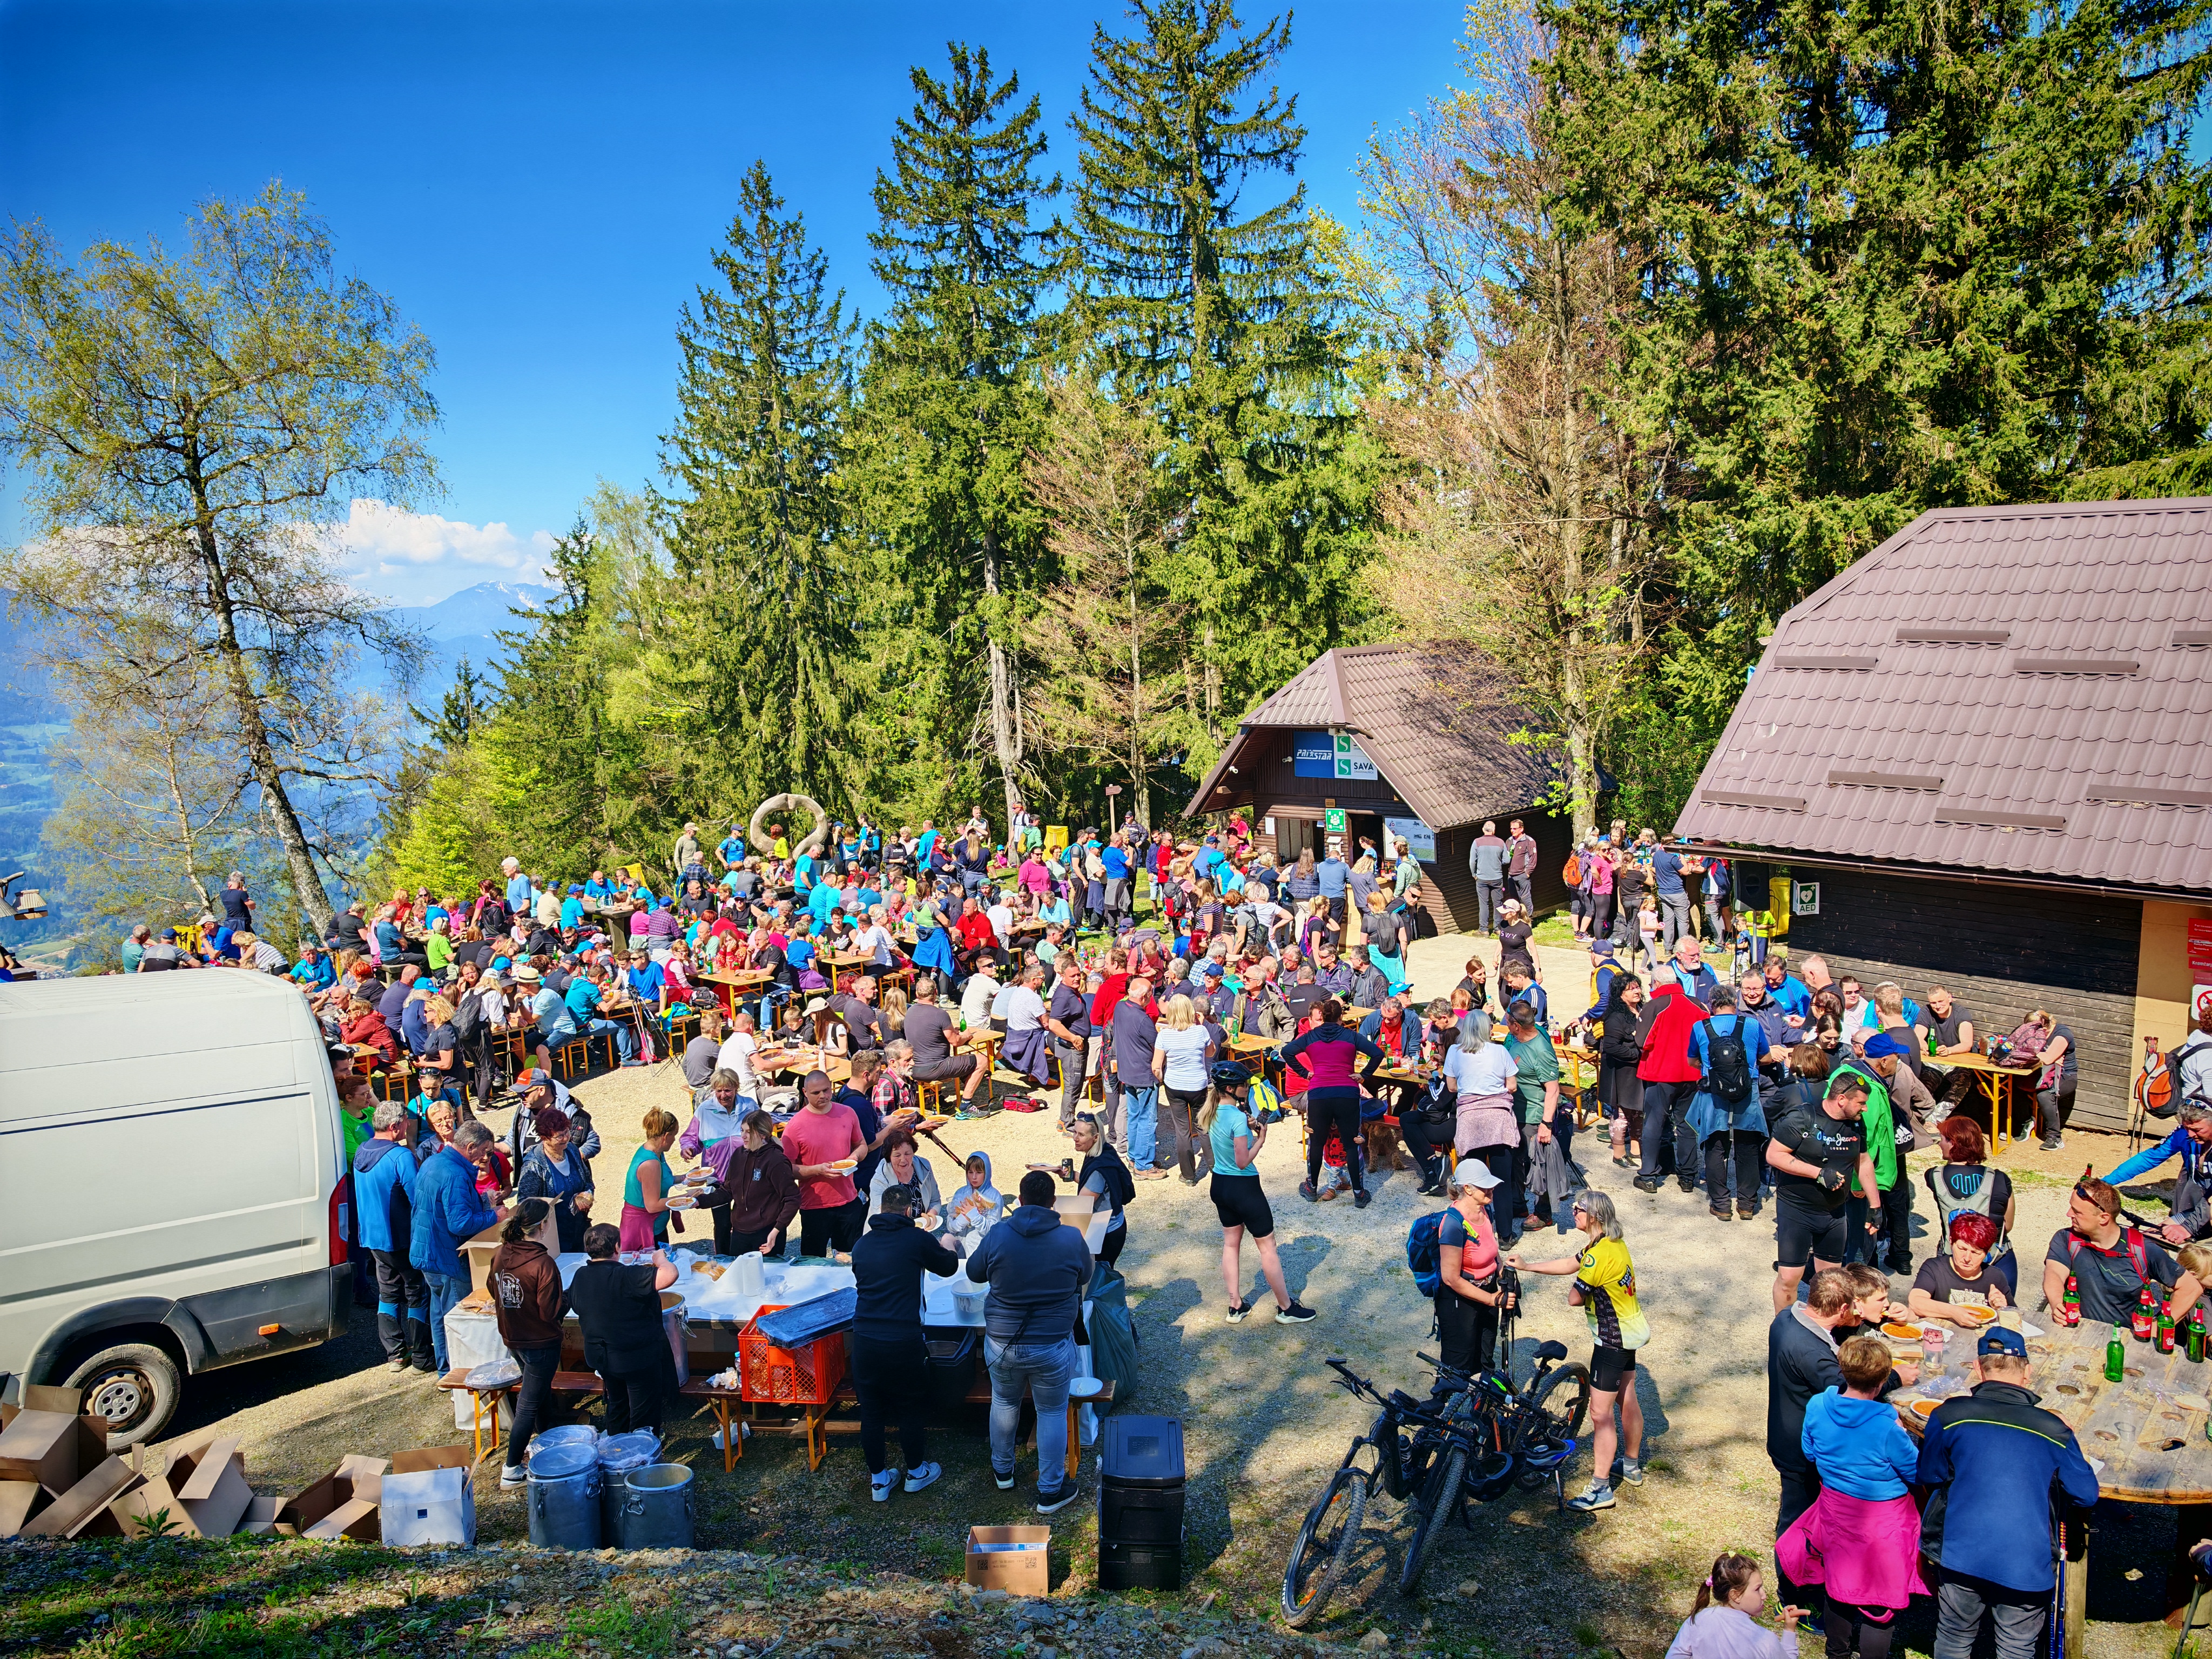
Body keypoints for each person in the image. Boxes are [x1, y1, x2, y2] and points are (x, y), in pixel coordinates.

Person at [1918, 1327, 2099, 1659]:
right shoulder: (2054, 1429)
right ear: (2028, 1371)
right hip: (2026, 1563)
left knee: (1954, 1638)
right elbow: (2086, 1495)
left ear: (1978, 1367)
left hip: (1960, 1552)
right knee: (2017, 1647)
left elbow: (1929, 1475)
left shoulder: (1948, 1415)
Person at [1781, 1334, 1928, 1659]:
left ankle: (1837, 1654)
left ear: (1843, 1371)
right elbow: (1917, 1474)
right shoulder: (1887, 1426)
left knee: (1839, 1586)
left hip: (1835, 1511)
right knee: (1880, 1601)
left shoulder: (1818, 1405)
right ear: (1881, 1382)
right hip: (1884, 1523)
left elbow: (1810, 1451)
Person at [963, 1168, 1094, 1514]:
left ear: (1019, 1201)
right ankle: (1050, 1491)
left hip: (1002, 1343)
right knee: (1051, 1410)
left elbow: (974, 1273)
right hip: (1051, 1344)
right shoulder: (1070, 1237)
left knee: (1004, 1403)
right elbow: (1086, 1274)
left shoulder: (998, 1234)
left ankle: (1003, 1472)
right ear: (1054, 1203)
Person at [1508, 1189, 1648, 1512]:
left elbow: (1574, 1297)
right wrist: (1529, 1266)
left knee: (1600, 1415)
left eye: (1578, 1209)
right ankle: (1630, 1463)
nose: (1573, 1212)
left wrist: (1590, 1290)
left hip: (1611, 1340)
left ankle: (1601, 1488)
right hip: (1629, 1332)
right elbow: (1572, 1263)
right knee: (1627, 1397)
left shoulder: (1599, 1255)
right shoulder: (1608, 1243)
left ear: (1595, 1216)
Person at [851, 1181, 961, 1501]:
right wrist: (950, 1243)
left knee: (871, 1411)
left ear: (881, 1210)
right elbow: (948, 1266)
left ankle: (879, 1481)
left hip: (866, 1340)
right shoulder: (916, 1238)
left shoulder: (862, 1246)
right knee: (910, 1406)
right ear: (909, 1212)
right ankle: (916, 1471)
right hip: (903, 1339)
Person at [1765, 1267, 1858, 1630]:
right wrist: (1895, 1378)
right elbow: (1850, 1393)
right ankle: (1793, 1600)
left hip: (1786, 1435)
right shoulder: (1812, 1352)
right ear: (1843, 1308)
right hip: (1801, 1451)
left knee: (1801, 1520)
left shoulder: (1789, 1317)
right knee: (1797, 1525)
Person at [1201, 1061, 1311, 1323]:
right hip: (1244, 1187)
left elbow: (1228, 1146)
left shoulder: (1212, 1111)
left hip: (1220, 1184)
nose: (1247, 1088)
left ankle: (1235, 1305)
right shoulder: (1238, 1118)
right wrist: (1260, 1139)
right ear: (1231, 1088)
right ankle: (1286, 1308)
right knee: (1268, 1247)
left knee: (1231, 1244)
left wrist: (1246, 1129)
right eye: (1244, 1085)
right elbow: (1242, 1161)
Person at [1765, 1071, 1880, 1313]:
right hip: (1797, 1211)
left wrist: (1875, 1206)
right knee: (1788, 1280)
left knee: (1831, 1283)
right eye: (1861, 1103)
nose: (1865, 1109)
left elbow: (1864, 1161)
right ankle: (1784, 1330)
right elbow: (1773, 1155)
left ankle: (1821, 1332)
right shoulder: (1802, 1118)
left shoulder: (1856, 1124)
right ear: (1841, 1100)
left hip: (1835, 1214)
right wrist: (1818, 1173)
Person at [409, 1120, 503, 1374]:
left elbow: (441, 1206)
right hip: (447, 1255)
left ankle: (444, 1368)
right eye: (485, 1151)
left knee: (440, 1313)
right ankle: (458, 1373)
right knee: (458, 1316)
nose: (486, 1157)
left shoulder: (434, 1162)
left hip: (427, 1249)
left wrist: (482, 1199)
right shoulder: (456, 1174)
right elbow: (460, 1223)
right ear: (471, 1147)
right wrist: (496, 1215)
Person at [567, 1222, 679, 1434]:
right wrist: (660, 1259)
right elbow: (670, 1275)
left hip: (602, 1357)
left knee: (617, 1404)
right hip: (636, 1357)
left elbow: (573, 1302)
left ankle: (616, 1450)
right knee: (643, 1411)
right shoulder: (627, 1276)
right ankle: (641, 1456)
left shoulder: (581, 1276)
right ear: (617, 1248)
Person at [489, 1197, 567, 1486]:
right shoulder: (542, 1263)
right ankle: (511, 1469)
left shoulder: (501, 1253)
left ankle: (544, 1442)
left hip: (514, 1337)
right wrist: (568, 1298)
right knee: (528, 1404)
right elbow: (550, 1312)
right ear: (544, 1226)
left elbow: (492, 1287)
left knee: (538, 1393)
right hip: (540, 1342)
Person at [355, 1101, 434, 1373]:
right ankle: (423, 1357)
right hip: (402, 1238)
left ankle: (396, 1355)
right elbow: (419, 1199)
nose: (409, 1125)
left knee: (387, 1293)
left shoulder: (361, 1151)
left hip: (373, 1240)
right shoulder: (399, 1157)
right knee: (417, 1293)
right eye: (405, 1121)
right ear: (394, 1126)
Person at [1283, 997, 1385, 1209]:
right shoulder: (1351, 1035)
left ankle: (1311, 1188)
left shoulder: (1310, 1036)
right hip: (1347, 1093)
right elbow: (1377, 1053)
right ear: (1341, 1017)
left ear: (1323, 1017)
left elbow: (1286, 1053)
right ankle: (1359, 1194)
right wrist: (1364, 1075)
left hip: (1319, 1094)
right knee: (1352, 1143)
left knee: (1317, 1142)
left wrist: (1305, 1073)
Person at [2040, 1175, 2181, 1323]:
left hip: (2124, 1338)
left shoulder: (2142, 1249)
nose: (2069, 1214)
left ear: (2103, 1218)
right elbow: (2054, 1273)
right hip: (2076, 1332)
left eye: (2077, 1212)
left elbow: (2190, 1288)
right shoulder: (2067, 1238)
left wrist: (2160, 1327)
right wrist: (2057, 1304)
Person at [1685, 988, 1771, 1223]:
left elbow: (1692, 1060)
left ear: (1710, 1004)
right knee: (1747, 1147)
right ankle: (1746, 1204)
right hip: (1747, 1093)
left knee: (1715, 1146)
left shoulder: (1700, 1027)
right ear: (1736, 1001)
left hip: (1713, 1093)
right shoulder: (1752, 1025)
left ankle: (1722, 1205)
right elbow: (1765, 1057)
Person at [1923, 1116, 2019, 1297]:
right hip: (1996, 1259)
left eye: (1943, 1140)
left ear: (1953, 1143)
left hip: (1954, 1259)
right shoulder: (1999, 1178)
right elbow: (2009, 1224)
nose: (1939, 1144)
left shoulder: (1934, 1176)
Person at [1632, 966, 1708, 1193]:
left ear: (1656, 983)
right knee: (1686, 1125)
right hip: (1692, 1074)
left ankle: (1648, 1175)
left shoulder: (1655, 1006)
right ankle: (1687, 1177)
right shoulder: (1698, 1005)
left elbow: (1642, 1042)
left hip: (1662, 1074)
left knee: (1654, 1123)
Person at [2101, 1098, 2212, 1246]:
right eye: (2187, 1128)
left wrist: (2187, 1228)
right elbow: (2151, 1157)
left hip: (2208, 1209)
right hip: (2203, 1209)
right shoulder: (2184, 1135)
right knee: (2149, 1242)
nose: (2191, 1135)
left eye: (2197, 1130)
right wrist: (2105, 1182)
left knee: (2199, 1258)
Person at [784, 1068, 868, 1257]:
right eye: (816, 1093)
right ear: (805, 1093)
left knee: (850, 1259)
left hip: (848, 1200)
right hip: (815, 1205)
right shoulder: (795, 1125)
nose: (823, 1096)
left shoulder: (847, 1113)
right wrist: (817, 1170)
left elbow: (862, 1145)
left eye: (827, 1090)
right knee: (813, 1261)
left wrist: (854, 1158)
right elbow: (786, 1169)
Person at [1434, 1160, 1507, 1374]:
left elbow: (1491, 1248)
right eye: (1485, 1186)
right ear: (1468, 1189)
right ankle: (1446, 1406)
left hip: (1489, 1292)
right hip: (1460, 1302)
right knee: (1457, 1365)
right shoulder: (1452, 1225)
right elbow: (1450, 1278)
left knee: (1485, 1357)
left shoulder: (1486, 1211)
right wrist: (1492, 1299)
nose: (1491, 1189)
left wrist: (1502, 1270)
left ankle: (1483, 1407)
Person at [1664, 1553, 1804, 1659]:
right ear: (1735, 1595)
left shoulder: (1698, 1619)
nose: (1764, 1595)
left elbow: (1677, 1654)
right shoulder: (1765, 1641)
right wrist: (1789, 1631)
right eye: (1758, 1589)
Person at [1446, 1009, 1520, 1195]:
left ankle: (1478, 1223)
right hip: (1498, 1118)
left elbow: (1452, 1087)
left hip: (1470, 1119)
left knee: (1474, 1185)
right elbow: (1512, 1086)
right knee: (1502, 1184)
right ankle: (1504, 1224)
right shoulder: (1500, 1050)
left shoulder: (1454, 1051)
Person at [1151, 994, 1216, 1185]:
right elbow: (1211, 1052)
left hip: (1175, 1086)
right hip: (1197, 1085)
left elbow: (1156, 1067)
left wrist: (1165, 1080)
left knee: (1183, 1131)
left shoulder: (1164, 1035)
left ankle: (1188, 1175)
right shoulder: (1200, 1031)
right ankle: (1215, 1167)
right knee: (1204, 1127)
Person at [516, 1107, 596, 1255]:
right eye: (560, 1136)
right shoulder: (533, 1165)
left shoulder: (571, 1150)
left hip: (579, 1231)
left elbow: (588, 1182)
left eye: (567, 1132)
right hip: (553, 1238)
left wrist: (588, 1195)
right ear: (545, 1138)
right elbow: (525, 1204)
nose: (566, 1138)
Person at [905, 974, 988, 1110]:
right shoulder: (940, 1014)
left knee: (963, 1061)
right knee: (982, 1060)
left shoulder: (910, 1012)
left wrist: (950, 1032)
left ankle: (965, 1079)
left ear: (917, 994)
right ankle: (966, 1106)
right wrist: (966, 1036)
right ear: (936, 992)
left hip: (915, 1067)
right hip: (936, 1066)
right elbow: (956, 1042)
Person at [1908, 1215, 2010, 1324]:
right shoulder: (1935, 1268)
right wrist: (1954, 1312)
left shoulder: (1995, 1276)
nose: (1967, 1258)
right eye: (1962, 1249)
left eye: (1975, 1253)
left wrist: (2002, 1308)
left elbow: (2015, 1319)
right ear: (1951, 1243)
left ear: (1987, 1252)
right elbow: (1915, 1303)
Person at [1058, 1115, 1132, 1267]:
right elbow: (1094, 1185)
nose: (1075, 1138)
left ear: (1095, 1137)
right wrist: (1072, 1176)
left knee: (1097, 1277)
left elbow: (1082, 1205)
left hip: (1106, 1233)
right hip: (1114, 1223)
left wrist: (1043, 1201)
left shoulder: (1098, 1170)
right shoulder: (1105, 1152)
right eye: (1075, 1133)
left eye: (1081, 1135)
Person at [620, 1108, 683, 1254]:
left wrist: (685, 1178)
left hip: (657, 1226)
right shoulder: (651, 1163)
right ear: (666, 1136)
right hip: (646, 1230)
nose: (675, 1140)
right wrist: (688, 1198)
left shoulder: (656, 1152)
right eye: (674, 1135)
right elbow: (653, 1206)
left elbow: (660, 1182)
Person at [866, 1129, 942, 1220]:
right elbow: (882, 1217)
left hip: (922, 1229)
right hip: (892, 1232)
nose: (903, 1160)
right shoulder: (879, 1181)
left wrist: (930, 1218)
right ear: (889, 1157)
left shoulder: (924, 1167)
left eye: (907, 1154)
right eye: (897, 1156)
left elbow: (935, 1200)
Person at [945, 1150, 1006, 1257]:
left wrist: (974, 1216)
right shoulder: (961, 1193)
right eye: (970, 1172)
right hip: (959, 1247)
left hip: (981, 1251)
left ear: (987, 1173)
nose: (974, 1177)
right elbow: (951, 1226)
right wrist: (963, 1219)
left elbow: (993, 1230)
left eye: (979, 1173)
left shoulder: (994, 1197)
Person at [1468, 821, 1507, 935]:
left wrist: (1474, 874)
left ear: (1483, 830)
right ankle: (1498, 928)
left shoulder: (1477, 842)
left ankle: (1484, 930)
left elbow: (1472, 861)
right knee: (1498, 904)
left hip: (1482, 878)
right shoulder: (1501, 842)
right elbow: (1507, 860)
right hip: (1497, 878)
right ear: (1494, 830)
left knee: (1484, 904)